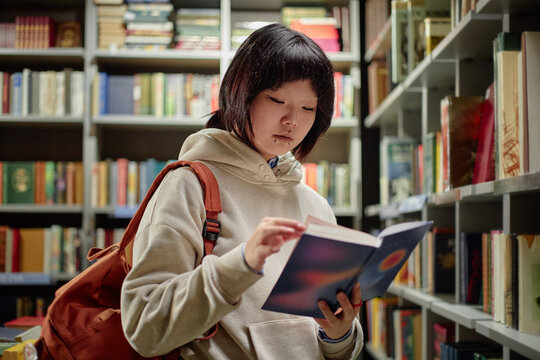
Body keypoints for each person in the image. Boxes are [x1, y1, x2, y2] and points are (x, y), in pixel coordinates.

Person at [121, 23, 364, 359]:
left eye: (308, 108)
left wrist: (339, 337)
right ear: (239, 92)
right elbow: (145, 328)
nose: (292, 120)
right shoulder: (189, 186)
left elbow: (333, 346)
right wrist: (242, 264)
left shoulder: (314, 204)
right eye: (277, 99)